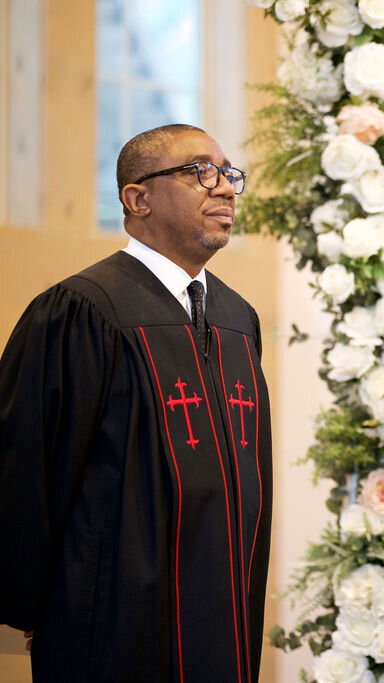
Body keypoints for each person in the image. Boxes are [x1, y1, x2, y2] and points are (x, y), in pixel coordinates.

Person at [0, 124, 273, 682]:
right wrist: (32, 602)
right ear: (137, 198)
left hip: (225, 623)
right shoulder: (82, 310)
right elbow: (27, 468)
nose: (223, 188)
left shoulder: (236, 319)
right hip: (114, 623)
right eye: (200, 171)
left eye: (228, 174)